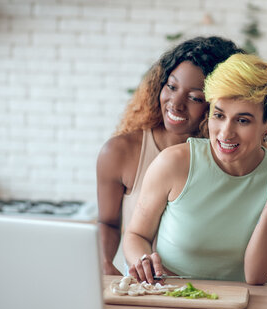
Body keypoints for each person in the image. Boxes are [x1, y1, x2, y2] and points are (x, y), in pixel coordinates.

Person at [123, 53, 267, 285]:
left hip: (240, 306)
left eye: (243, 120)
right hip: (170, 296)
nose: (225, 133)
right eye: (219, 115)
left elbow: (256, 275)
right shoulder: (173, 163)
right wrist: (143, 260)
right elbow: (135, 235)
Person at [96, 37, 244, 275]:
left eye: (195, 97)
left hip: (212, 293)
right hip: (145, 290)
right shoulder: (120, 152)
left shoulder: (232, 160)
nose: (175, 104)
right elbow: (108, 222)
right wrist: (103, 262)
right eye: (172, 87)